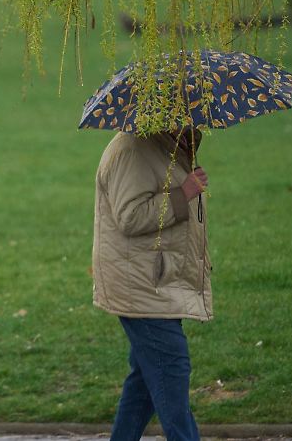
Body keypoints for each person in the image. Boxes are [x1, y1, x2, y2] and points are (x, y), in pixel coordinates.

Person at [91, 128, 210, 441]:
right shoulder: (132, 149)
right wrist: (183, 194)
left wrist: (186, 150)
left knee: (145, 383)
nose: (192, 112)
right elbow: (130, 216)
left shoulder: (161, 143)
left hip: (157, 280)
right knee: (171, 369)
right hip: (142, 285)